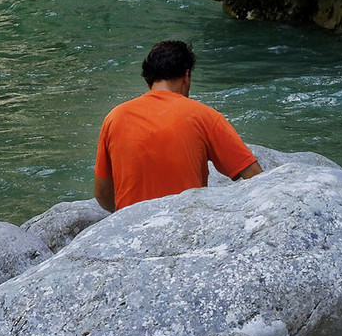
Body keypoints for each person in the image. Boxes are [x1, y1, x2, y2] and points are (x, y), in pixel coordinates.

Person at [93, 40, 263, 211]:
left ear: (149, 82)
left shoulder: (115, 117)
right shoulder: (204, 115)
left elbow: (102, 194)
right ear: (186, 76)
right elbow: (255, 176)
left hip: (131, 228)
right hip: (186, 226)